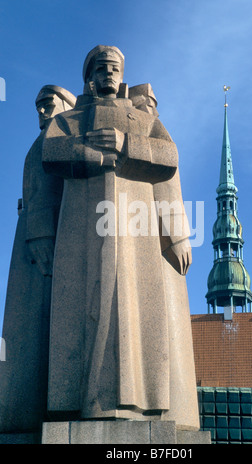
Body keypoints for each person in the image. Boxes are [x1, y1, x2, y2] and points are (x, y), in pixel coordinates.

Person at [42, 45, 199, 430]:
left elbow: (169, 156)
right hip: (81, 231)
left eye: (114, 68)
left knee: (134, 309)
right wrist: (90, 154)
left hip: (135, 232)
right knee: (85, 308)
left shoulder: (141, 119)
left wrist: (127, 145)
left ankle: (141, 401)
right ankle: (80, 402)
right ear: (90, 77)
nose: (108, 74)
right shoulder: (73, 118)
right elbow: (50, 152)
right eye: (101, 68)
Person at [0, 86, 76, 434]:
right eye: (40, 108)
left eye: (49, 105)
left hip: (43, 241)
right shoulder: (44, 140)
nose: (43, 113)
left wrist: (41, 232)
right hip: (32, 238)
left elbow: (48, 190)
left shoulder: (57, 139)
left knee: (37, 326)